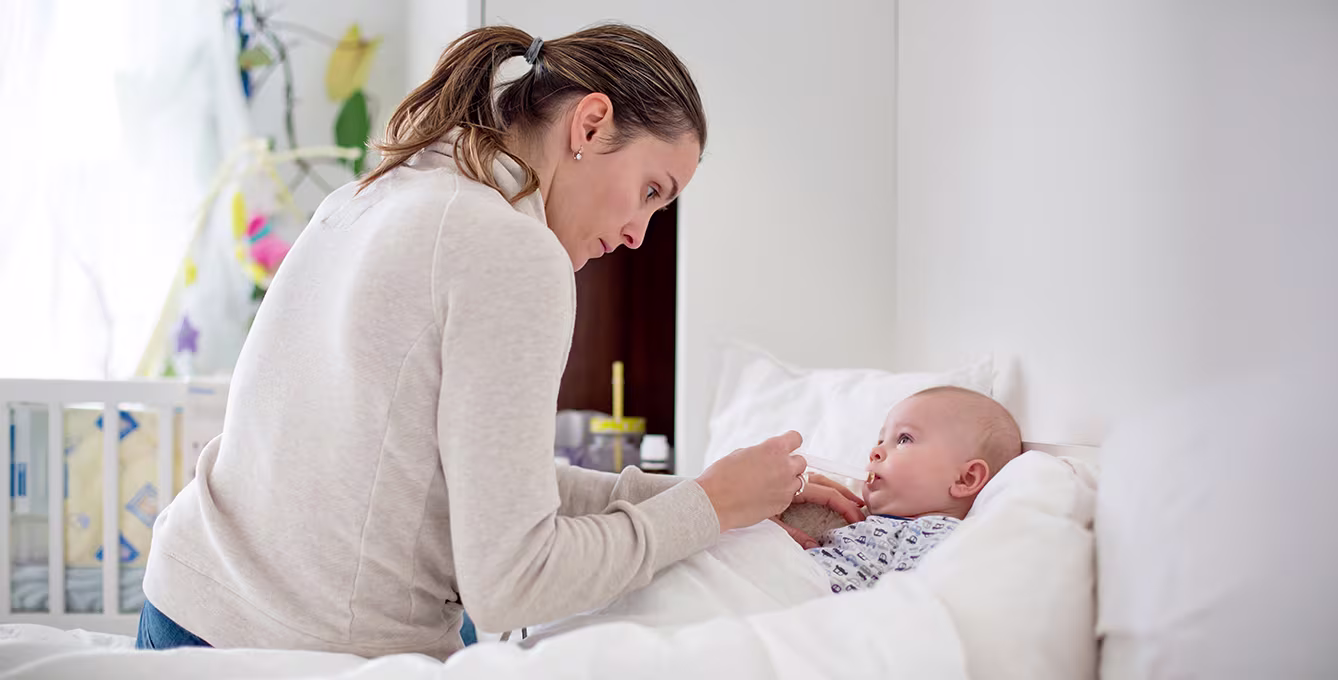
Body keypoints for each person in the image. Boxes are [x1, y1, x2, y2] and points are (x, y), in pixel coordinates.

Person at [137, 24, 861, 659]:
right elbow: (515, 582)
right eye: (651, 189)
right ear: (590, 123)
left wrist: (713, 497)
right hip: (291, 648)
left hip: (183, 605)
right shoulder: (510, 249)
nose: (642, 234)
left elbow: (457, 482)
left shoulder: (382, 190)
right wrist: (706, 508)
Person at [805, 386, 1023, 593]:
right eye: (881, 439)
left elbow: (905, 601)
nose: (875, 451)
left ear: (965, 479)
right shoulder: (855, 511)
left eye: (904, 439)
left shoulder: (936, 536)